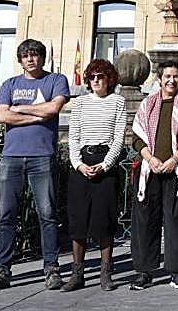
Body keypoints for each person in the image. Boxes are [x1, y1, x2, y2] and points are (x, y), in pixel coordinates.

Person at [0, 38, 71, 292]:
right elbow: (1, 115)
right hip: (12, 157)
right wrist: (36, 113)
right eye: (26, 55)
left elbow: (53, 109)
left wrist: (20, 109)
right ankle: (1, 269)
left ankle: (51, 268)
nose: (31, 59)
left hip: (43, 156)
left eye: (35, 55)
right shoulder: (10, 84)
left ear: (42, 58)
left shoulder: (56, 80)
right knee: (6, 215)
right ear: (20, 59)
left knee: (48, 214)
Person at [130, 60, 178, 290]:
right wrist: (151, 159)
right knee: (145, 221)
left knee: (177, 221)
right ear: (159, 78)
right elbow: (137, 137)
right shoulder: (146, 105)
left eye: (175, 76)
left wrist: (173, 160)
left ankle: (177, 271)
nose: (171, 80)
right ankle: (144, 271)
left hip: (176, 171)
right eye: (167, 76)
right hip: (150, 171)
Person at [62, 58, 127, 292]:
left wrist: (105, 165)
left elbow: (119, 138)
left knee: (104, 220)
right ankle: (77, 273)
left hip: (105, 162)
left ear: (109, 78)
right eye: (92, 77)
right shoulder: (79, 104)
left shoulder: (118, 102)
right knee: (78, 219)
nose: (97, 81)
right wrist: (78, 164)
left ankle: (106, 272)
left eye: (101, 76)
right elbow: (73, 137)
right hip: (82, 162)